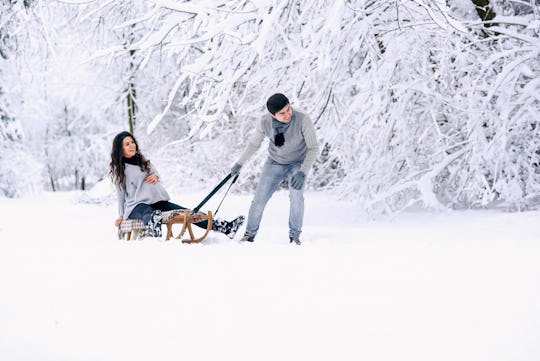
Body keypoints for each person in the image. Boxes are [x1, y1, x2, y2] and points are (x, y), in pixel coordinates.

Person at [110, 131, 244, 238]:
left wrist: (156, 176)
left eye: (132, 142)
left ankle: (225, 227)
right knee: (147, 212)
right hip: (136, 206)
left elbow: (156, 173)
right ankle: (152, 231)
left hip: (157, 202)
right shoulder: (120, 169)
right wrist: (121, 216)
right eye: (127, 144)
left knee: (190, 213)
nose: (132, 145)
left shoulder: (144, 162)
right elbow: (120, 195)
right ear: (120, 149)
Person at [231, 93, 319, 245]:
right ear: (272, 115)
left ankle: (295, 236)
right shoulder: (265, 122)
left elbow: (313, 148)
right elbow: (254, 144)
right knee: (259, 199)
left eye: (288, 109)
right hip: (274, 162)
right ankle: (249, 235)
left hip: (298, 163)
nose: (287, 115)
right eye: (282, 113)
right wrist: (239, 163)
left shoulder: (303, 119)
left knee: (296, 197)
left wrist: (302, 172)